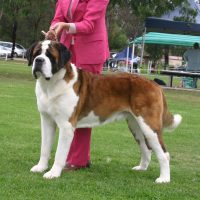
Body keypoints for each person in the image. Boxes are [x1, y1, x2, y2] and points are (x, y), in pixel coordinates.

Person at [45, 0, 110, 170]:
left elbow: (88, 25)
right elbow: (57, 18)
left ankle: (79, 159)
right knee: (66, 107)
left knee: (83, 107)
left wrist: (65, 26)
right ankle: (69, 155)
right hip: (67, 53)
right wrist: (53, 30)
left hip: (91, 54)